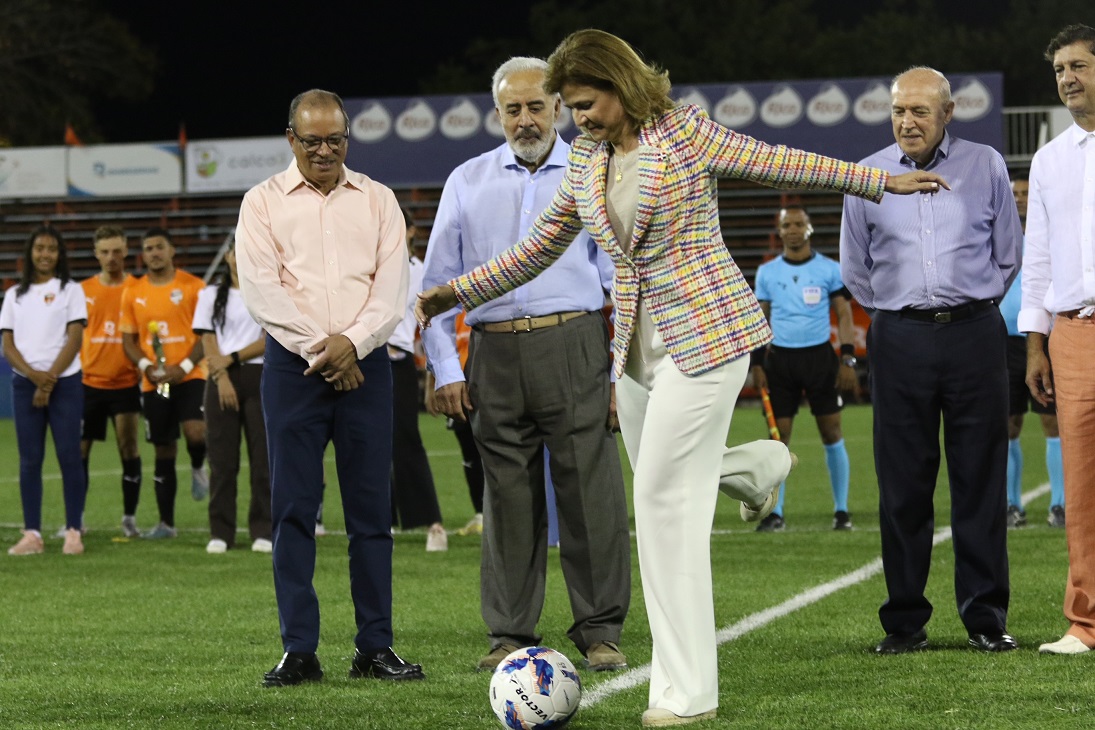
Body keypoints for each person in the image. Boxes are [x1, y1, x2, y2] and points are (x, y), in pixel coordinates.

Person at [417, 30, 946, 727]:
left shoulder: (684, 132)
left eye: (586, 103)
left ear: (619, 85)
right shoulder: (588, 162)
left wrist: (878, 181)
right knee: (671, 486)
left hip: (707, 337)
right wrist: (453, 293)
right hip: (636, 353)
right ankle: (756, 468)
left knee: (663, 508)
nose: (580, 119)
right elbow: (538, 247)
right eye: (572, 107)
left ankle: (687, 691)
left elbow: (777, 160)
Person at [420, 56, 631, 674]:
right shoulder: (466, 180)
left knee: (591, 494)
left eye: (537, 106)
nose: (525, 119)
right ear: (497, 114)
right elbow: (437, 284)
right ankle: (509, 633)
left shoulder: (595, 171)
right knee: (506, 500)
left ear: (559, 108)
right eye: (512, 109)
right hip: (493, 353)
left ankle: (600, 631)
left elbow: (621, 281)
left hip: (575, 344)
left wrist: (619, 374)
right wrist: (447, 369)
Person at [235, 88, 424, 686]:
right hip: (295, 370)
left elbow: (392, 291)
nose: (324, 151)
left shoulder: (379, 199)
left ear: (348, 138)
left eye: (335, 140)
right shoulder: (261, 202)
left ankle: (375, 646)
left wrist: (352, 345)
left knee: (371, 512)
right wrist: (328, 350)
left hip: (364, 367)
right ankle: (299, 650)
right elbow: (263, 293)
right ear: (290, 139)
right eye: (312, 140)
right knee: (292, 509)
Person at [840, 66, 1022, 656]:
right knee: (902, 485)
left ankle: (986, 618)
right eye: (899, 110)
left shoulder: (985, 164)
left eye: (920, 110)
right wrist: (902, 315)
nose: (907, 121)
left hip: (975, 334)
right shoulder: (866, 175)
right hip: (900, 338)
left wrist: (967, 304)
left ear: (947, 113)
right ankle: (904, 621)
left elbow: (1007, 255)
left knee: (980, 480)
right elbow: (855, 270)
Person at [1020, 23, 1095, 656]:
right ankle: (1085, 623)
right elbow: (1037, 257)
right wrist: (1035, 342)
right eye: (1060, 70)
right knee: (1083, 481)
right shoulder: (1048, 159)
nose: (1068, 79)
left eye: (1079, 66)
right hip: (1073, 333)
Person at [751, 206, 858, 532]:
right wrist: (757, 363)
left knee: (832, 433)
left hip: (819, 360)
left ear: (809, 229)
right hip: (780, 362)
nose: (794, 230)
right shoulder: (767, 272)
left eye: (799, 224)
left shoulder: (829, 269)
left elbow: (844, 314)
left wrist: (848, 358)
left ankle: (841, 511)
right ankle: (776, 513)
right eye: (787, 225)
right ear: (780, 230)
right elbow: (760, 318)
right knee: (779, 439)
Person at [1, 225, 88, 555]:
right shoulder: (14, 295)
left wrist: (48, 379)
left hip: (65, 383)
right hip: (26, 384)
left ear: (60, 254)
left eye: (52, 249)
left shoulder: (71, 291)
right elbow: (8, 345)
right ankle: (32, 534)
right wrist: (34, 377)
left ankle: (73, 531)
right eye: (39, 248)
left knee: (69, 455)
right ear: (30, 253)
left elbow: (75, 339)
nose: (45, 254)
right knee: (29, 460)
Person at [120, 228, 209, 540]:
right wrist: (147, 367)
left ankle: (198, 465)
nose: (154, 253)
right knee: (163, 448)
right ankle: (166, 524)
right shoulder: (133, 292)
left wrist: (183, 367)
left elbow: (205, 335)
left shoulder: (194, 287)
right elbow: (128, 340)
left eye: (159, 247)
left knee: (196, 432)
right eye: (148, 248)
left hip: (191, 374)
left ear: (172, 251)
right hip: (154, 380)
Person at [192, 241, 272, 554]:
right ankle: (221, 532)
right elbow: (207, 338)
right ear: (227, 257)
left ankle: (263, 529)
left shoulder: (266, 292)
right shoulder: (210, 294)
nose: (241, 258)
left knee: (263, 459)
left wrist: (232, 359)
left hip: (257, 375)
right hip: (220, 379)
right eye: (236, 252)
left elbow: (269, 339)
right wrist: (222, 376)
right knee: (222, 461)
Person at [999, 177, 1065, 529]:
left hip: (1044, 338)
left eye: (1026, 193)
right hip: (1004, 340)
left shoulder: (1052, 233)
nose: (1021, 199)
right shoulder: (995, 235)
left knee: (1053, 421)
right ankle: (1012, 504)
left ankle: (1060, 504)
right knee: (1008, 423)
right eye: (1015, 194)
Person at [388, 207, 447, 552]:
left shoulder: (420, 271)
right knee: (366, 444)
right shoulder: (370, 264)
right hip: (362, 359)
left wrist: (432, 377)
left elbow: (430, 325)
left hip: (397, 361)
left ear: (411, 231)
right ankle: (379, 520)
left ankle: (433, 523)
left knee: (406, 440)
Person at [80, 225, 143, 538]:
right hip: (87, 383)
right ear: (96, 253)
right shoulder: (81, 291)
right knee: (78, 452)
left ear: (126, 250)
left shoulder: (138, 288)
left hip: (126, 383)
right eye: (105, 252)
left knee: (129, 449)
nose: (111, 257)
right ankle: (75, 519)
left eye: (117, 251)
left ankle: (129, 518)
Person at [423, 314, 485, 537]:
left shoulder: (484, 307)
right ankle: (480, 513)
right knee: (468, 452)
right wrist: (432, 385)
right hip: (457, 384)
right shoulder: (452, 309)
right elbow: (438, 344)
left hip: (485, 381)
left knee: (492, 451)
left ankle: (493, 512)